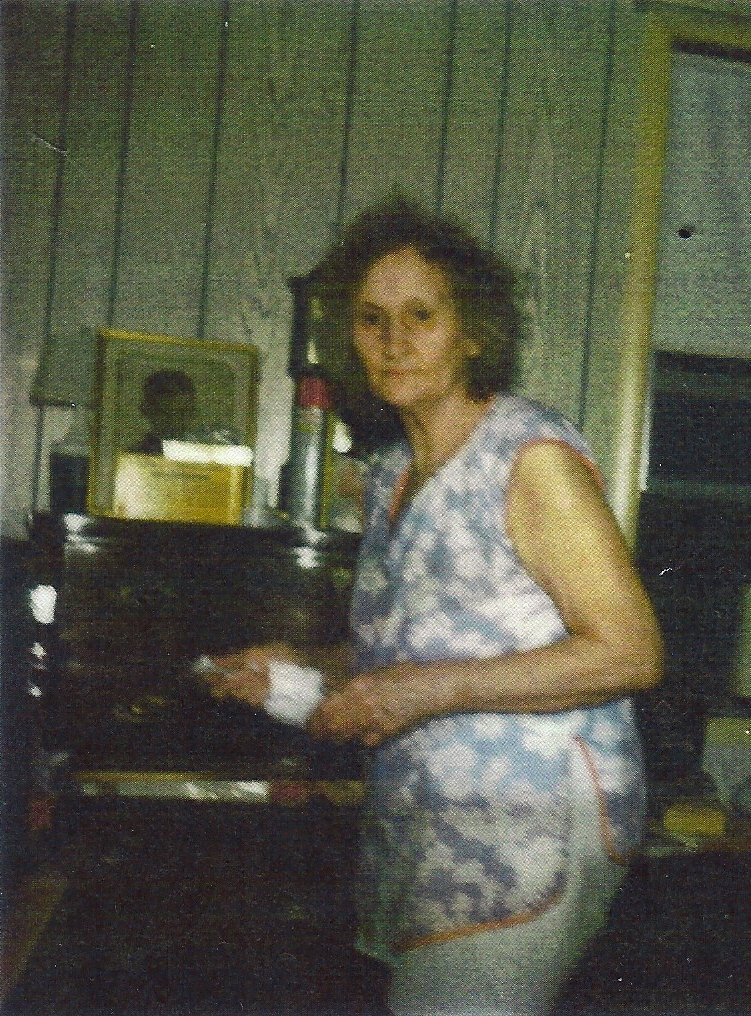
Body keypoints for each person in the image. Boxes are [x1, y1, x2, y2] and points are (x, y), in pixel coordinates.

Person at [203, 196, 663, 1016]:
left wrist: (426, 690)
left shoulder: (529, 455)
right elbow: (409, 655)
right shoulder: (390, 474)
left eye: (421, 315)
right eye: (371, 319)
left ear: (473, 332)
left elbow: (630, 653)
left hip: (531, 824)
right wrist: (302, 668)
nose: (394, 340)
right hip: (428, 825)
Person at [130, 368, 197, 454]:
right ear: (146, 410)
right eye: (165, 413)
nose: (175, 420)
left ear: (193, 412)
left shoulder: (204, 453)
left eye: (182, 412)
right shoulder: (134, 456)